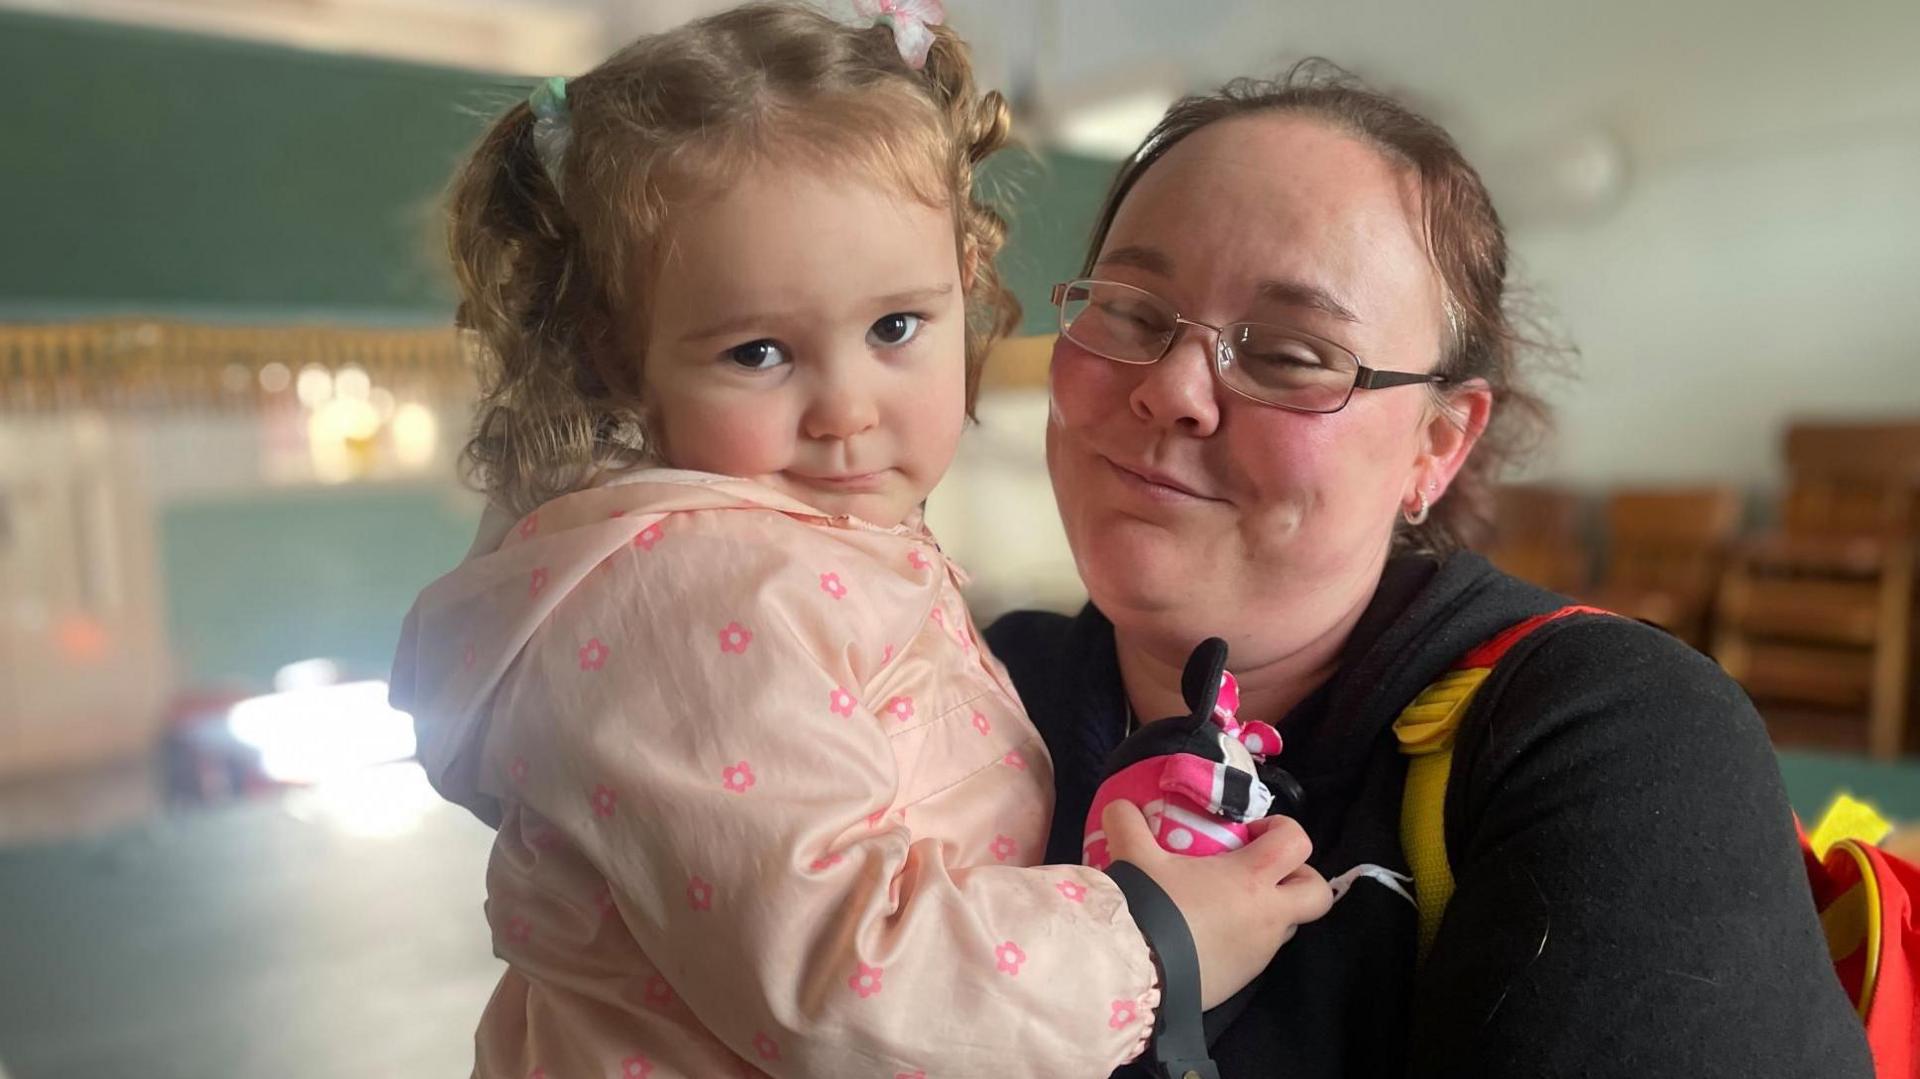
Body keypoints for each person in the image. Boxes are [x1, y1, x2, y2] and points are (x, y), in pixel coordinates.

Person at [390, 6, 1327, 1077]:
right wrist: (1160, 942)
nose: (846, 407)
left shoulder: (809, 550)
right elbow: (844, 983)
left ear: (965, 283)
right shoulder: (702, 597)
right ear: (620, 357)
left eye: (895, 328)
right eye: (757, 351)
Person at [987, 64, 1874, 1078]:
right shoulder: (976, 691)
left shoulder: (1609, 746)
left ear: (1437, 444)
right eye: (1135, 314)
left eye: (1286, 352)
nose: (1175, 390)